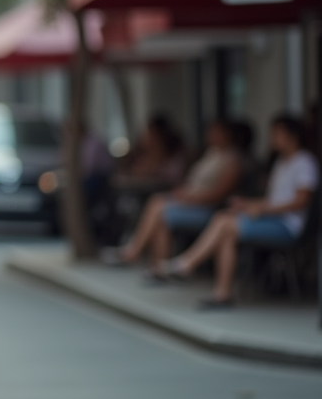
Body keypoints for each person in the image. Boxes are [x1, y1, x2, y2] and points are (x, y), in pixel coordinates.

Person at [158, 114, 319, 308]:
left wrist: (261, 208)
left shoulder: (305, 163)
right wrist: (248, 204)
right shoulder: (282, 162)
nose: (272, 138)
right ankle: (220, 291)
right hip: (273, 219)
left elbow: (300, 202)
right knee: (225, 223)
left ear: (292, 135)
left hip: (289, 226)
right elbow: (276, 200)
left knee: (225, 223)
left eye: (276, 133)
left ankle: (188, 264)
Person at [100, 119, 244, 273]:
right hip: (190, 201)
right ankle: (158, 268)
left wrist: (188, 197)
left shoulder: (232, 160)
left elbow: (218, 194)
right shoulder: (211, 153)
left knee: (158, 207)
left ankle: (134, 252)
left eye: (215, 131)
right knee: (159, 212)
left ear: (227, 134)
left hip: (203, 207)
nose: (210, 135)